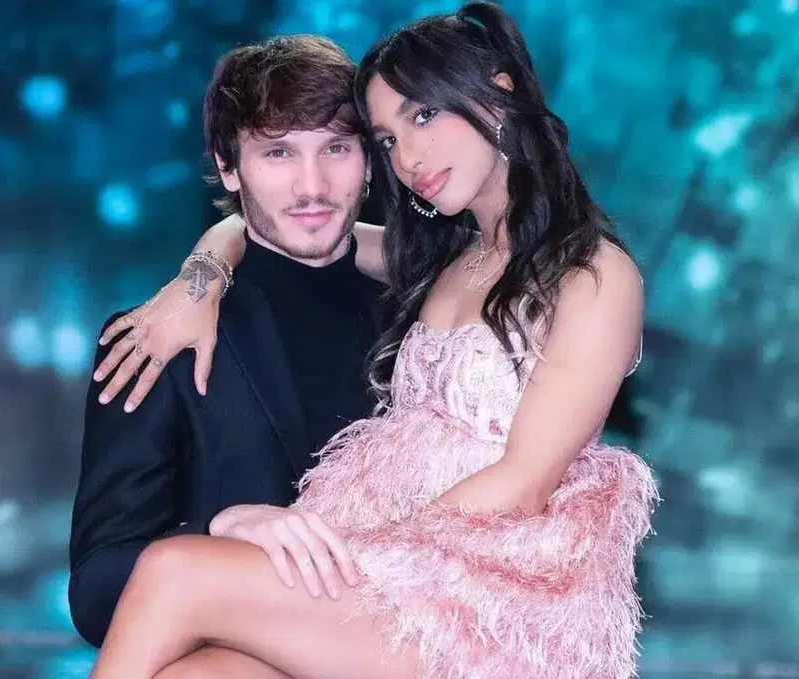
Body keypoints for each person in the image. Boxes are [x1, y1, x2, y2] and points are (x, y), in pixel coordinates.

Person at [86, 3, 659, 679]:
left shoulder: (592, 274)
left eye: (423, 116)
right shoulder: (444, 261)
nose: (408, 157)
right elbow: (282, 231)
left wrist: (357, 548)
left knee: (175, 570)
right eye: (386, 139)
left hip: (486, 596)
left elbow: (525, 482)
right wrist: (201, 275)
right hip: (386, 583)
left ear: (499, 93)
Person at [69, 35, 389, 678]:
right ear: (229, 165)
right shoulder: (159, 337)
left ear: (369, 159)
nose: (312, 185)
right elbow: (96, 588)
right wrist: (220, 532)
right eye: (278, 152)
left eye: (336, 148)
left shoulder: (431, 315)